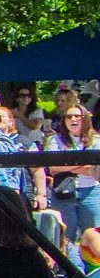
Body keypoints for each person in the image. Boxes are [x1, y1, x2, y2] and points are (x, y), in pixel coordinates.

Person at [46, 101, 100, 241]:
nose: (73, 120)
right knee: (65, 237)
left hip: (91, 192)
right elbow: (52, 166)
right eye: (69, 117)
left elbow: (94, 171)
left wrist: (65, 164)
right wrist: (82, 165)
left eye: (77, 116)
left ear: (85, 119)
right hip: (63, 193)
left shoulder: (96, 140)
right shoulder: (55, 140)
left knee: (93, 236)